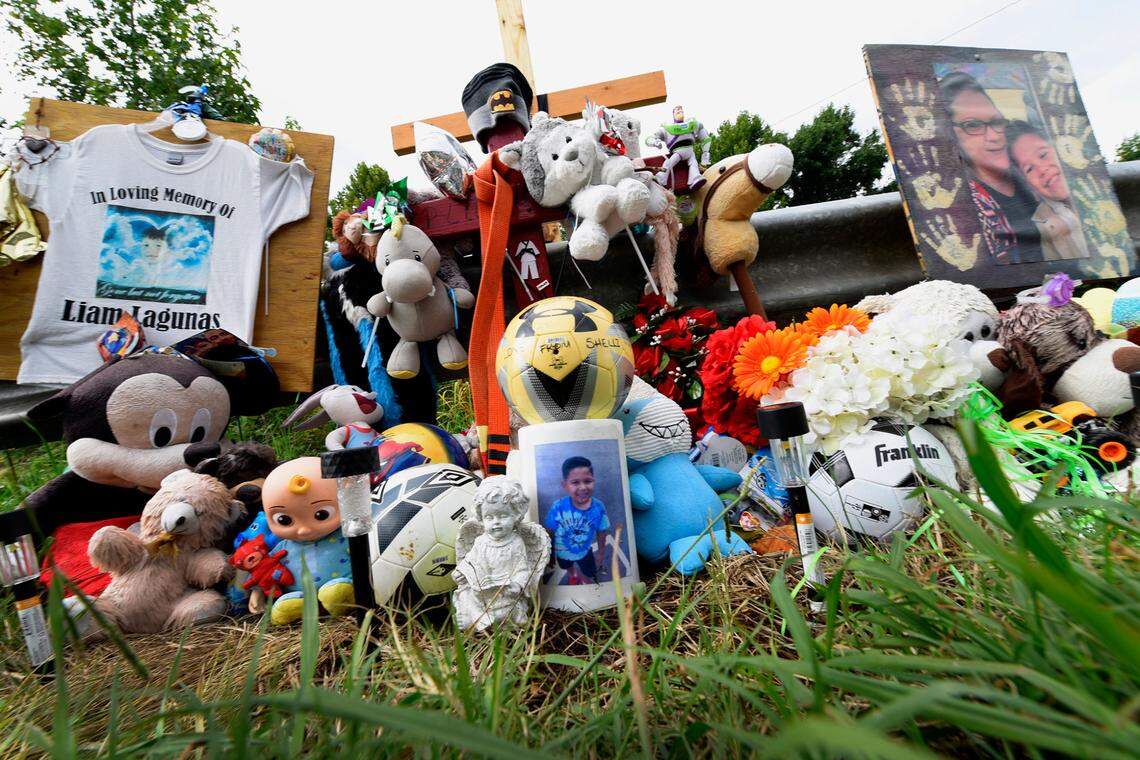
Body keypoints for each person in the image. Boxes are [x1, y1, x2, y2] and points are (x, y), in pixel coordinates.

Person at [938, 72, 1043, 264]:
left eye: (996, 121)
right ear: (950, 134)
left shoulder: (1036, 176)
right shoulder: (962, 208)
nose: (994, 136)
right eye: (973, 125)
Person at [1006, 121, 1090, 261]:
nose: (1042, 170)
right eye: (1029, 169)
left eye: (1043, 155)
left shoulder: (1099, 189)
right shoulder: (1040, 227)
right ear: (1028, 185)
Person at [543, 456, 611, 585]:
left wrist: (601, 553)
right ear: (565, 485)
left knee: (590, 571)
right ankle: (573, 573)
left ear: (593, 481)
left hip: (584, 552)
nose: (583, 487)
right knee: (566, 566)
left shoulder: (598, 508)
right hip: (562, 552)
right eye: (575, 482)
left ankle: (592, 581)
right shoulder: (558, 508)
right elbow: (550, 531)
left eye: (587, 481)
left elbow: (601, 531)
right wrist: (551, 554)